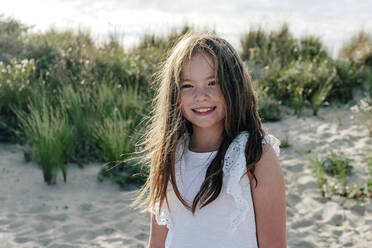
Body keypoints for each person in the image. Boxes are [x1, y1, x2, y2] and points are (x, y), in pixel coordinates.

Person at [132, 32, 286, 248]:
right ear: (174, 94)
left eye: (213, 82)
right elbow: (157, 242)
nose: (201, 95)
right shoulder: (170, 155)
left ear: (233, 85)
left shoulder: (255, 154)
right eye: (188, 85)